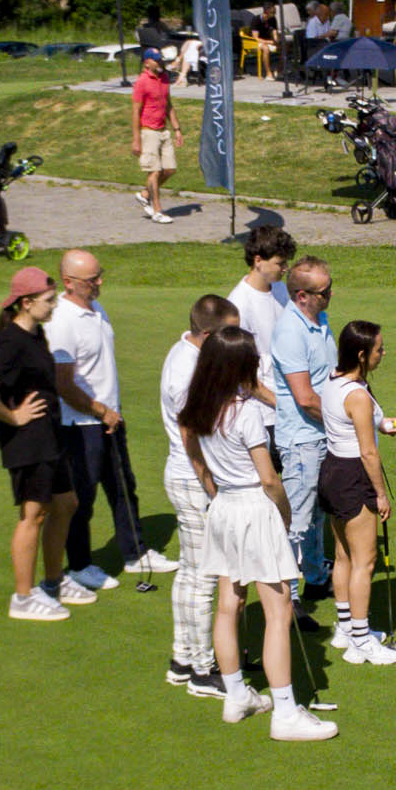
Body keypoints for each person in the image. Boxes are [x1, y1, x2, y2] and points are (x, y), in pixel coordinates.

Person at [177, 324, 337, 740]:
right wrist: (282, 515)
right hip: (253, 507)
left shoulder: (198, 405)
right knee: (279, 609)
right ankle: (284, 712)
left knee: (229, 603)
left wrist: (215, 491)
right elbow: (269, 479)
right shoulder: (244, 412)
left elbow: (194, 454)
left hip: (225, 507)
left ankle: (236, 696)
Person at [49, 249, 168, 592]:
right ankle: (80, 565)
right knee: (82, 498)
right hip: (79, 425)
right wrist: (100, 410)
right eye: (92, 280)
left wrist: (109, 412)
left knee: (122, 488)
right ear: (69, 283)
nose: (100, 283)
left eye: (100, 275)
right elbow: (63, 383)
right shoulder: (62, 321)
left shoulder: (95, 307)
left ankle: (135, 554)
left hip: (108, 418)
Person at [0, 267, 83, 621]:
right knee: (33, 515)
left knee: (66, 503)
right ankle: (23, 598)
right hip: (28, 441)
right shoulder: (10, 342)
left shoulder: (36, 335)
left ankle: (53, 582)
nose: (54, 307)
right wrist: (14, 416)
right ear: (26, 302)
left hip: (50, 435)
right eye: (49, 301)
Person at [158, 294, 241, 696]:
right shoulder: (185, 373)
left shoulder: (192, 354)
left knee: (191, 572)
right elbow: (191, 439)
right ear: (208, 334)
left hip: (191, 477)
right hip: (194, 480)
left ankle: (183, 658)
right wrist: (213, 488)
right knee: (203, 576)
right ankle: (203, 671)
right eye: (229, 332)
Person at [318, 321, 396, 665]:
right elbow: (368, 453)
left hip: (332, 471)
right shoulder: (357, 396)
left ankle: (346, 626)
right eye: (379, 349)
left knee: (343, 556)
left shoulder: (335, 381)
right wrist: (380, 493)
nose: (384, 354)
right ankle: (361, 641)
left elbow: (359, 423)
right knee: (364, 562)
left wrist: (382, 423)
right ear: (362, 355)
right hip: (354, 476)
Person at [269, 256, 338, 621]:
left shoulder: (318, 319)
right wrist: (346, 422)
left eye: (329, 288)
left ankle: (314, 576)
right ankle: (288, 597)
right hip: (301, 441)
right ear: (301, 296)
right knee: (295, 520)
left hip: (321, 436)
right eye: (323, 292)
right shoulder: (290, 331)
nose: (330, 296)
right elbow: (306, 398)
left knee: (315, 516)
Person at [227, 224, 293, 375]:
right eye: (280, 263)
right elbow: (239, 371)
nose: (286, 268)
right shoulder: (238, 305)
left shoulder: (280, 288)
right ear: (258, 261)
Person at [132, 47, 177, 222]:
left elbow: (168, 104)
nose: (160, 63)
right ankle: (157, 211)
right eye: (156, 60)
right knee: (154, 171)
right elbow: (136, 111)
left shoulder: (164, 78)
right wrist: (136, 140)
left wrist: (177, 128)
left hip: (163, 130)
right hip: (148, 131)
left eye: (161, 60)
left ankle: (144, 194)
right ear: (147, 62)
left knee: (170, 169)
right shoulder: (142, 82)